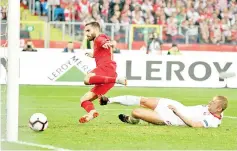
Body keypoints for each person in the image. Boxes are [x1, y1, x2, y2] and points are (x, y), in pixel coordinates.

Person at [79, 21, 127, 123]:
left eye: (88, 30)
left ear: (96, 30)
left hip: (106, 69)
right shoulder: (97, 42)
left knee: (87, 79)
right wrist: (93, 54)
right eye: (85, 31)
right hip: (107, 77)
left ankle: (117, 80)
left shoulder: (99, 38)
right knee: (84, 99)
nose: (86, 33)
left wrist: (108, 43)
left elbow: (104, 41)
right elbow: (105, 47)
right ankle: (91, 113)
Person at [99, 95, 228, 128]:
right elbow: (221, 113)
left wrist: (177, 112)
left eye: (213, 103)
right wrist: (177, 108)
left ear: (218, 108)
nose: (209, 103)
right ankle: (109, 100)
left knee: (136, 112)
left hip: (173, 118)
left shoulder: (212, 121)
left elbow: (194, 125)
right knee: (143, 100)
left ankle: (131, 121)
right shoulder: (217, 111)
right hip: (176, 106)